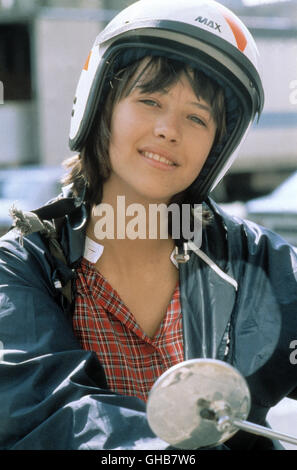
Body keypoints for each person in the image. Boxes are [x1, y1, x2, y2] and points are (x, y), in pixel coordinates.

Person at [0, 0, 296, 451]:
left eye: (197, 117)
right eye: (150, 99)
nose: (168, 129)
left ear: (219, 145)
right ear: (100, 106)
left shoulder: (253, 261)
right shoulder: (23, 267)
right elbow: (47, 413)